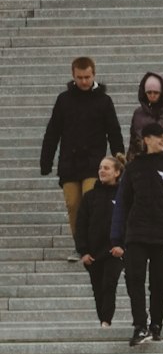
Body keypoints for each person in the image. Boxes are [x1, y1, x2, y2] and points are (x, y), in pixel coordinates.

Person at [111, 120, 163, 346]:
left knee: (160, 282)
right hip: (137, 233)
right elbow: (123, 203)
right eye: (159, 136)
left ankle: (156, 324)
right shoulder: (134, 168)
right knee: (134, 278)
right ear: (146, 139)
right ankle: (140, 325)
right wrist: (118, 236)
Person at [40, 56, 124, 256]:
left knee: (90, 200)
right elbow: (53, 131)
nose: (84, 81)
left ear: (94, 74)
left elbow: (114, 131)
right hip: (69, 163)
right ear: (73, 76)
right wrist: (46, 160)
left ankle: (93, 245)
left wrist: (119, 157)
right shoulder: (64, 100)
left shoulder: (104, 101)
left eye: (87, 77)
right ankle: (81, 247)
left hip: (94, 162)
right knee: (73, 204)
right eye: (80, 77)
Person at [74, 153, 126, 328]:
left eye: (106, 168)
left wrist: (122, 246)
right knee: (97, 288)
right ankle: (102, 319)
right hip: (94, 253)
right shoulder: (90, 197)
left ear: (117, 172)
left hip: (114, 251)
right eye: (100, 168)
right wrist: (83, 251)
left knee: (108, 284)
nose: (102, 171)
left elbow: (130, 221)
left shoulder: (124, 195)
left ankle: (106, 321)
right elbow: (81, 225)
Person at [128, 71, 163, 162]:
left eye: (156, 93)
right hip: (142, 162)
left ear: (162, 93)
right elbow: (133, 144)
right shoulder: (138, 114)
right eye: (149, 92)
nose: (152, 95)